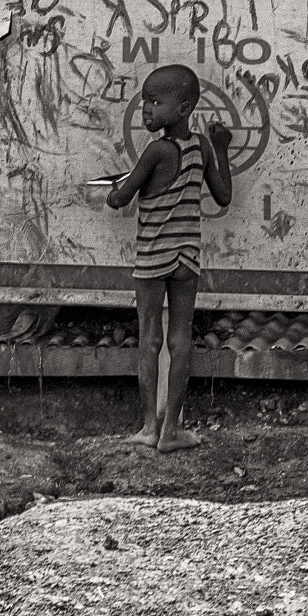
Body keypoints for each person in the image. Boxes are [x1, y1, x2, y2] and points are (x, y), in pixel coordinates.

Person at [106, 64, 234, 451]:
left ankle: (149, 427)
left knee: (149, 339)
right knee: (180, 341)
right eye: (145, 100)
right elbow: (224, 196)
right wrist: (222, 148)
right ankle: (172, 430)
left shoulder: (157, 150)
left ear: (182, 109)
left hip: (152, 257)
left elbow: (120, 198)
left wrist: (115, 187)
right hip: (186, 259)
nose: (146, 109)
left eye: (155, 101)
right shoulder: (201, 147)